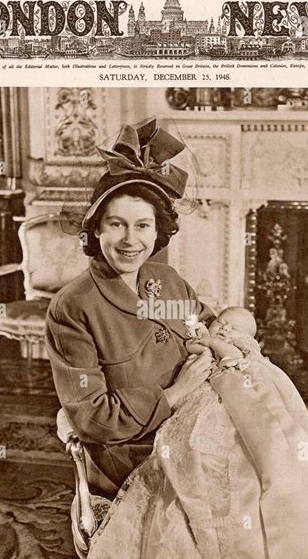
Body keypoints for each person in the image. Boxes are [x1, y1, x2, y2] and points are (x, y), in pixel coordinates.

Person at [79, 306, 308, 559]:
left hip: (239, 398)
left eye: (234, 328)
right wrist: (201, 336)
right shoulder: (205, 340)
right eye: (222, 323)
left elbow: (230, 357)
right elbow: (193, 345)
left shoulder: (239, 350)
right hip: (206, 401)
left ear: (248, 337)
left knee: (263, 453)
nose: (225, 329)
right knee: (198, 446)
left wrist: (212, 340)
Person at [45, 118, 216, 499]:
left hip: (200, 427)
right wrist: (176, 393)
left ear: (158, 232)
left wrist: (214, 344)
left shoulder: (167, 279)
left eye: (142, 226)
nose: (130, 240)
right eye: (117, 224)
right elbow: (92, 418)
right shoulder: (72, 307)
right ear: (96, 230)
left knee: (271, 464)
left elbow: (207, 325)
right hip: (137, 453)